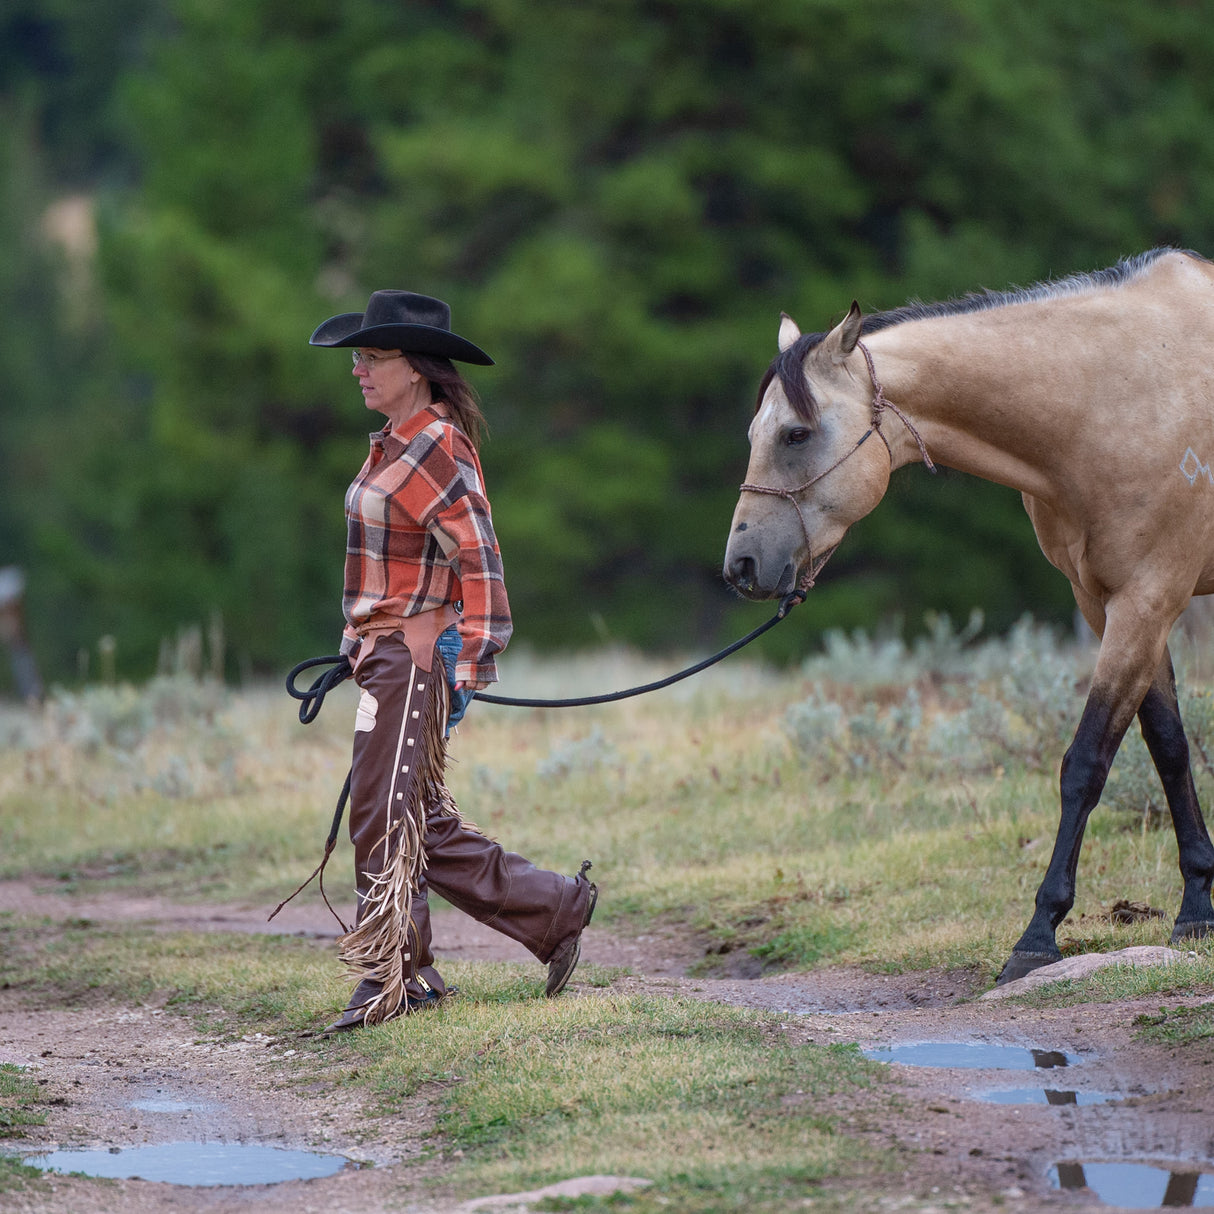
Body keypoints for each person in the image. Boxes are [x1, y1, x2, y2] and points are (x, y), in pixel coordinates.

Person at [308, 290, 597, 1032]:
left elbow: (479, 556)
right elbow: (386, 563)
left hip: (415, 658)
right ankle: (552, 910)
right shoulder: (395, 442)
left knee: (383, 816)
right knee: (414, 819)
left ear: (416, 367)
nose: (358, 370)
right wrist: (357, 641)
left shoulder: (434, 444)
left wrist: (469, 658)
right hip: (386, 652)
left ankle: (396, 979)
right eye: (357, 358)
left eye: (372, 357)